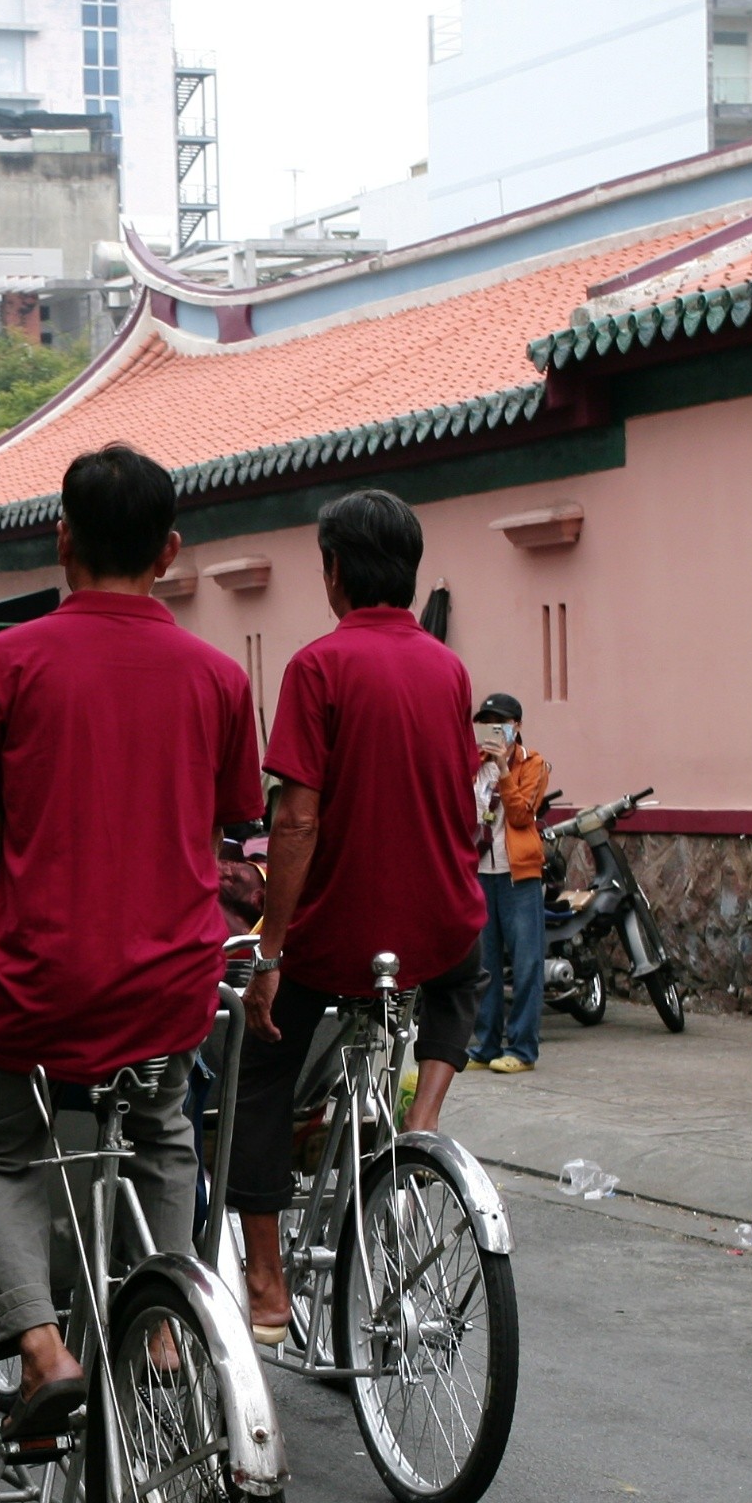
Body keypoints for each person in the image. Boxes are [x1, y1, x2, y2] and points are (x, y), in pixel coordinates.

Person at [0, 445, 261, 1437]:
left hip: (36, 981)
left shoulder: (5, 663)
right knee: (162, 1126)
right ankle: (160, 1328)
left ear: (60, 537)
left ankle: (41, 1350)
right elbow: (217, 833)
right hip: (168, 985)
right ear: (168, 551)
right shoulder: (214, 678)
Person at [225, 488, 487, 1340]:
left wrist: (269, 948)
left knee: (255, 1067)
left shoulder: (316, 666)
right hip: (436, 925)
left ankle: (265, 1285)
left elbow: (293, 818)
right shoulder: (447, 668)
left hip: (338, 937)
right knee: (458, 983)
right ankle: (422, 1126)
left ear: (334, 572)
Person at [466, 695, 552, 1071]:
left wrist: (503, 767)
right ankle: (485, 1046)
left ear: (516, 725)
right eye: (485, 722)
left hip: (519, 876)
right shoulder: (472, 766)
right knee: (484, 965)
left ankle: (522, 1050)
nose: (492, 729)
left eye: (499, 722)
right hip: (481, 873)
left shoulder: (533, 764)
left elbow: (520, 816)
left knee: (526, 962)